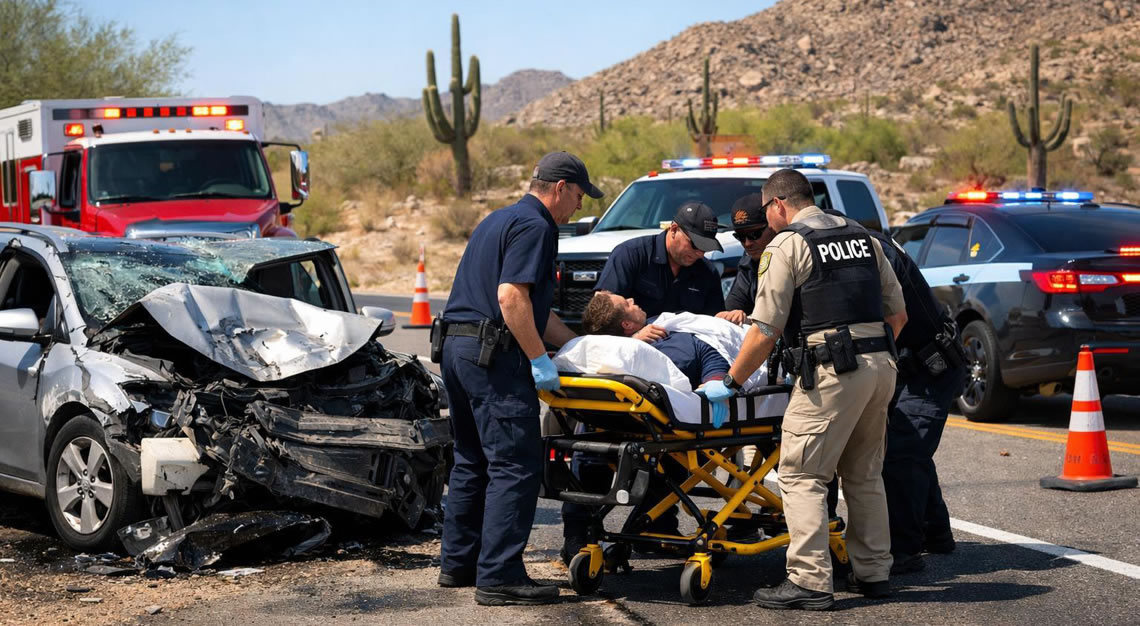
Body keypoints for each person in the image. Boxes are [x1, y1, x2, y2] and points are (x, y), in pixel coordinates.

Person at [702, 168, 908, 611]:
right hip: (880, 366)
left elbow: (765, 329)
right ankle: (874, 572)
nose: (767, 222)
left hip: (833, 370)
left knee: (800, 474)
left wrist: (731, 382)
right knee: (864, 473)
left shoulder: (788, 243)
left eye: (767, 212)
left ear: (778, 204)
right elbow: (898, 313)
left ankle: (810, 581)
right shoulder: (864, 238)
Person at [435, 151, 601, 606]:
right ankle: (501, 576)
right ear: (562, 187)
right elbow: (511, 298)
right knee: (515, 465)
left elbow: (535, 310)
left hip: (457, 349)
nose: (580, 207)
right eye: (580, 196)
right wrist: (538, 360)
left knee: (472, 459)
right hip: (494, 358)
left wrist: (571, 348)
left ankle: (459, 564)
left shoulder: (498, 219)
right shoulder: (537, 226)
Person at [837, 212, 967, 575]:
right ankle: (936, 531)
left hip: (931, 367)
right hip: (908, 364)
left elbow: (893, 317)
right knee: (911, 449)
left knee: (902, 452)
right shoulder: (862, 243)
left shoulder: (873, 250)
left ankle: (902, 550)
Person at [559, 290, 730, 563]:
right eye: (627, 303)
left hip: (624, 419)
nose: (633, 299)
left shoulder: (669, 330)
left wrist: (715, 381)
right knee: (672, 455)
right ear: (626, 325)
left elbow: (713, 358)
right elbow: (709, 357)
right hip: (657, 423)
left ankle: (623, 530)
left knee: (599, 450)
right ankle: (598, 533)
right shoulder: (630, 348)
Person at [593, 201, 726, 341]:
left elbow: (715, 325)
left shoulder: (707, 271)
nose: (700, 253)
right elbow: (601, 317)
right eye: (695, 245)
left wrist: (727, 317)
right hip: (633, 351)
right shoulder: (631, 255)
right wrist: (634, 338)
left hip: (688, 350)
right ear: (674, 230)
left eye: (706, 248)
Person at [717, 193, 778, 325]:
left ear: (773, 226)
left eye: (754, 234)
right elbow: (733, 307)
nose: (747, 243)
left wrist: (749, 321)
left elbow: (775, 324)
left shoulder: (791, 256)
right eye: (740, 237)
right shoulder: (748, 262)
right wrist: (731, 316)